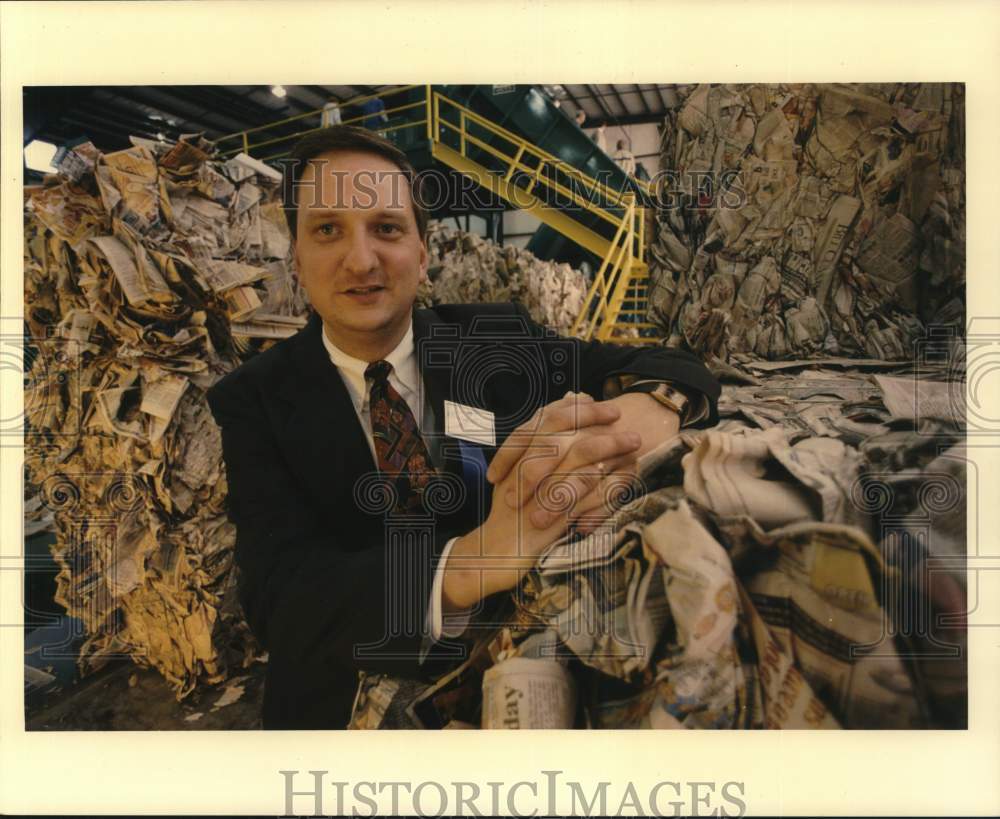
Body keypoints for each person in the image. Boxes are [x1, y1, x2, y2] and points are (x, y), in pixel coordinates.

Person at [206, 125, 721, 729]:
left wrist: (650, 406)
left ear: (422, 254)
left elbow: (665, 363)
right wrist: (470, 562)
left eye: (387, 228)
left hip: (510, 675)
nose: (361, 259)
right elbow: (282, 600)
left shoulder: (488, 339)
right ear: (296, 257)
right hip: (343, 702)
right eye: (327, 230)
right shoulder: (255, 400)